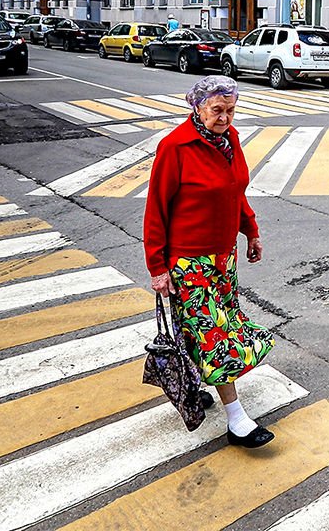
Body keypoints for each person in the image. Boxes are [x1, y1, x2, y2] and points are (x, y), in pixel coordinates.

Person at [144, 74, 276, 447]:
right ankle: (237, 420)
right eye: (218, 110)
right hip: (188, 261)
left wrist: (250, 230)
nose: (225, 118)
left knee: (198, 331)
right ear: (197, 107)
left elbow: (235, 191)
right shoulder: (175, 147)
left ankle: (191, 383)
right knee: (215, 337)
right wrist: (157, 267)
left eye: (231, 110)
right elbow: (156, 210)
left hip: (223, 258)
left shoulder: (230, 141)